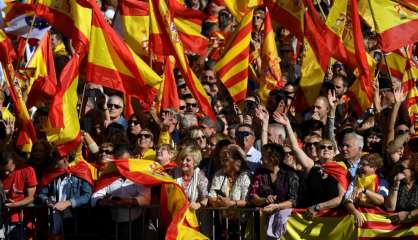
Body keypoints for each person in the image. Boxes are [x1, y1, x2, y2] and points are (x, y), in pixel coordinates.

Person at [274, 112, 347, 219]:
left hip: (332, 218)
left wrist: (317, 207)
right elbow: (295, 148)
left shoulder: (341, 169)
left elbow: (341, 198)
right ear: (317, 151)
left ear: (334, 151)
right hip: (311, 217)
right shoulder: (311, 166)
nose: (326, 149)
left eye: (329, 147)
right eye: (322, 147)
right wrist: (287, 124)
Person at [37, 151, 93, 239]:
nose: (53, 159)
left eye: (55, 157)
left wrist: (68, 203)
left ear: (65, 159)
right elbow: (41, 194)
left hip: (76, 219)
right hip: (55, 220)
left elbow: (87, 196)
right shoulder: (52, 173)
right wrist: (47, 201)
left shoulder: (82, 170)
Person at [250, 144, 300, 211]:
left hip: (286, 218)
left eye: (264, 156)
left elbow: (293, 201)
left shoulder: (290, 174)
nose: (261, 159)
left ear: (272, 159)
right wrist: (264, 200)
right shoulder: (260, 173)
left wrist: (277, 206)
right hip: (263, 217)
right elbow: (253, 196)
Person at [344, 154, 389, 227]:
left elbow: (381, 200)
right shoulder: (355, 181)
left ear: (374, 168)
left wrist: (365, 190)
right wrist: (355, 212)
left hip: (375, 223)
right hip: (358, 222)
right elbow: (347, 200)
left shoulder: (381, 182)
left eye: (364, 165)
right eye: (360, 164)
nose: (360, 167)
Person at [0, 151, 37, 240]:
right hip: (3, 220)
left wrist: (13, 204)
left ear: (14, 162)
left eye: (9, 170)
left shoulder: (27, 170)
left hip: (21, 220)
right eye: (3, 170)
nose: (6, 174)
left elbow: (32, 197)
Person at [172, 145, 208, 210]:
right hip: (176, 214)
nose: (183, 162)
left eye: (188, 160)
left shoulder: (200, 176)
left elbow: (206, 198)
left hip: (195, 216)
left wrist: (198, 205)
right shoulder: (173, 173)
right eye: (182, 159)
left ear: (195, 163)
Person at [385, 155, 418, 223]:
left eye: (403, 168)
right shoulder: (397, 184)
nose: (399, 170)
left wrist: (408, 215)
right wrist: (396, 184)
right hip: (396, 228)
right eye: (399, 167)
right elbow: (390, 208)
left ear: (413, 170)